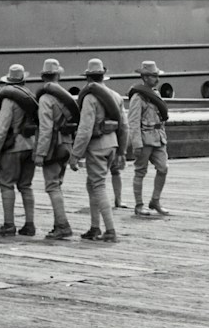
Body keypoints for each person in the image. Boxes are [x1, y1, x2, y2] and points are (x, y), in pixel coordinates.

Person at [67, 58, 123, 241]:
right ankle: (94, 227)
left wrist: (75, 155)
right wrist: (122, 151)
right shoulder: (115, 96)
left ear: (88, 78)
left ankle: (110, 230)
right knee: (92, 185)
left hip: (97, 146)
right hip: (112, 144)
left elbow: (85, 129)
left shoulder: (90, 98)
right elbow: (125, 126)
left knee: (98, 186)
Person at [0, 64, 39, 236]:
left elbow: (2, 128)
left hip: (12, 147)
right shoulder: (30, 96)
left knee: (6, 184)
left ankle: (9, 224)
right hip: (30, 145)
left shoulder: (9, 99)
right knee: (26, 186)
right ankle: (29, 224)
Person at [33, 59, 78, 240]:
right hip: (66, 145)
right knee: (58, 184)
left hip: (52, 146)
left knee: (52, 186)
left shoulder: (45, 99)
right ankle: (58, 224)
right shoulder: (65, 97)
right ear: (58, 75)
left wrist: (40, 153)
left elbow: (45, 127)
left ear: (43, 76)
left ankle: (62, 225)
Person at [125, 60, 171, 215]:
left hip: (158, 137)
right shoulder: (138, 97)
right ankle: (139, 205)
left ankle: (155, 200)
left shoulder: (155, 94)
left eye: (157, 76)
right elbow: (133, 121)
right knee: (140, 171)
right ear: (144, 78)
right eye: (153, 76)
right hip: (145, 139)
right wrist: (136, 143)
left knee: (163, 168)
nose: (157, 79)